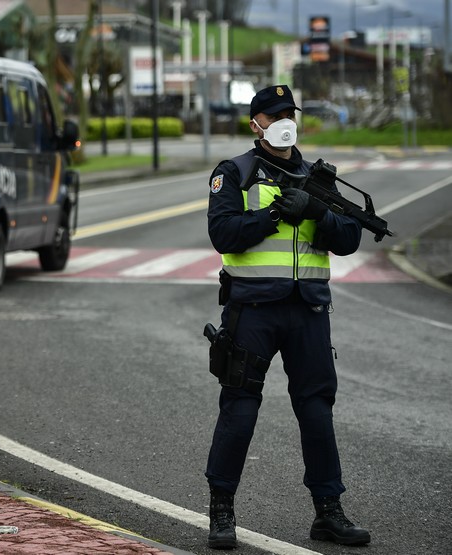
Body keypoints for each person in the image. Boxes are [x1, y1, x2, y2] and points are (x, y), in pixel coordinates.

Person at [204, 85, 370, 548]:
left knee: (317, 411)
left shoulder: (317, 177)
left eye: (288, 112)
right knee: (240, 409)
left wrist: (317, 208)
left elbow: (349, 238)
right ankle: (221, 511)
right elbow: (223, 233)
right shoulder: (234, 173)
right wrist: (275, 214)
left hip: (308, 311)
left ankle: (328, 512)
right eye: (273, 114)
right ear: (255, 122)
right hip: (252, 310)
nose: (283, 120)